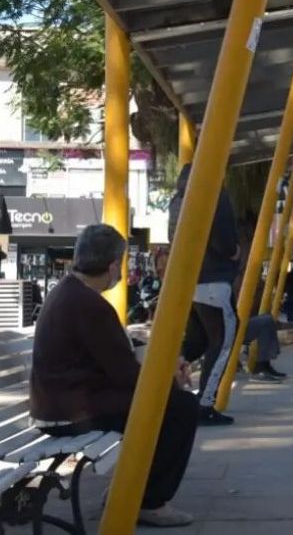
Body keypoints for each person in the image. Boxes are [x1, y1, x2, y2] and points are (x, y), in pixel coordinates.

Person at [30, 224, 198, 528]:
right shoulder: (88, 304)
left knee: (169, 402)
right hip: (69, 413)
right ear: (112, 266)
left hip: (60, 404)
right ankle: (150, 501)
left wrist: (169, 364)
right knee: (180, 407)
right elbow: (126, 374)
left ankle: (133, 490)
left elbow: (116, 355)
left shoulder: (70, 293)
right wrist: (170, 380)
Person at [171, 164, 241, 426]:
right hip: (215, 278)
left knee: (197, 342)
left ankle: (165, 385)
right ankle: (205, 404)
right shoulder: (214, 195)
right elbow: (224, 236)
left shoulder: (177, 200)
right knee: (222, 342)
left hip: (190, 279)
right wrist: (233, 251)